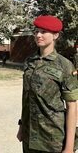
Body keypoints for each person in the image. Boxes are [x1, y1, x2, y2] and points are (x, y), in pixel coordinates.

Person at [17, 15, 78, 153]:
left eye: (43, 32)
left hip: (52, 139)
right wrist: (21, 126)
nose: (38, 35)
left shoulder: (65, 66)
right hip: (29, 135)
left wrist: (69, 147)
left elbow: (72, 107)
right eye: (36, 31)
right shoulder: (30, 61)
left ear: (55, 35)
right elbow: (26, 98)